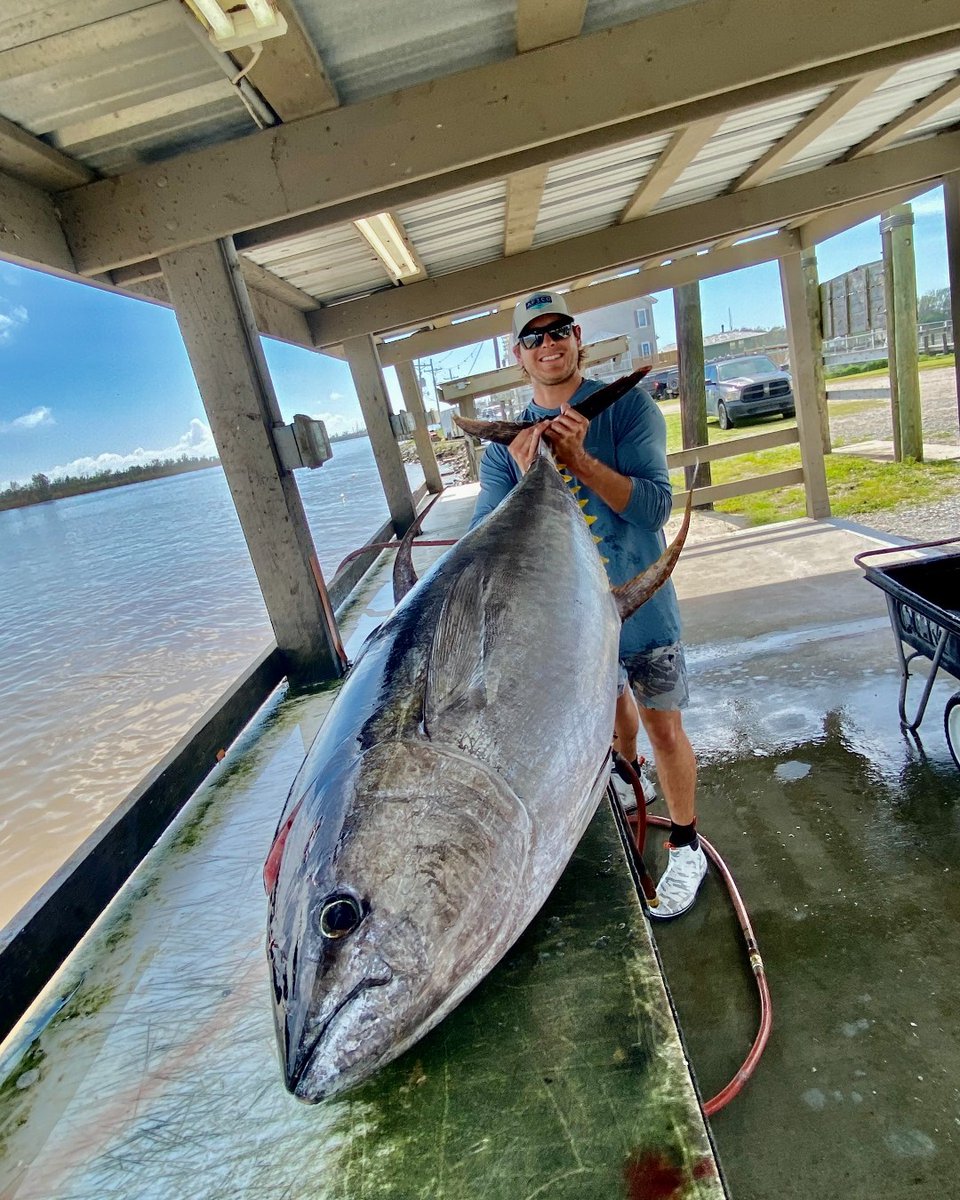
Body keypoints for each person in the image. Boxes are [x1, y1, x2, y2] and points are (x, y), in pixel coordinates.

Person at [469, 289, 706, 919]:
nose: (548, 344)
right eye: (534, 337)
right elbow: (483, 540)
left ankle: (686, 845)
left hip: (644, 604)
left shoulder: (628, 409)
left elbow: (655, 507)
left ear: (578, 338)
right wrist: (527, 478)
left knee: (664, 723)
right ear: (519, 356)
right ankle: (629, 783)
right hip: (571, 623)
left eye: (558, 331)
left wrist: (577, 459)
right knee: (609, 715)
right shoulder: (504, 447)